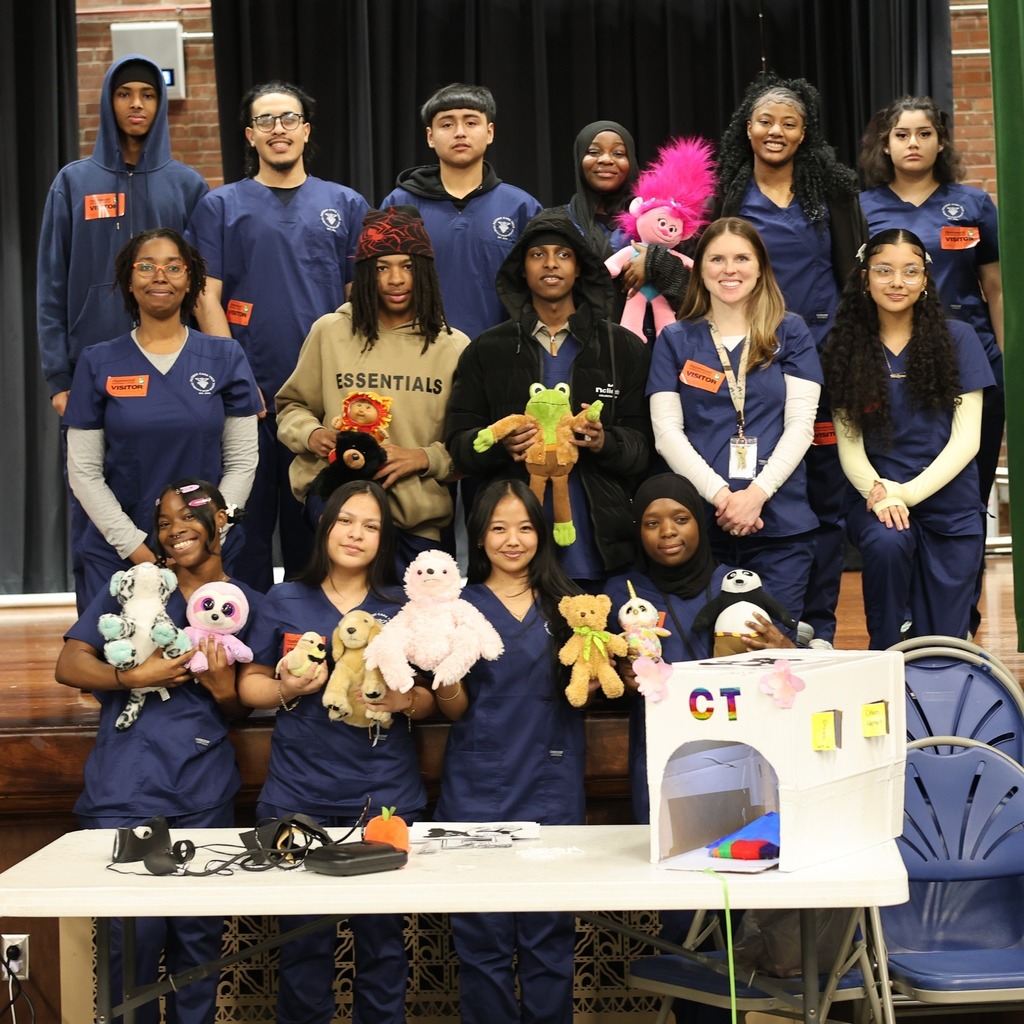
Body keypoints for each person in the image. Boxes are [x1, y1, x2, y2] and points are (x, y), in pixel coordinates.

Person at [54, 478, 262, 1024]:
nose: (174, 531)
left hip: (202, 792)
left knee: (199, 950)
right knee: (131, 950)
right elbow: (70, 664)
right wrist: (132, 674)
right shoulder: (137, 588)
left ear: (222, 518)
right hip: (127, 788)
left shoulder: (246, 604)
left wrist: (222, 690)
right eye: (165, 523)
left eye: (188, 516)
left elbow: (241, 705)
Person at [237, 480, 434, 1024]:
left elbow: (429, 701)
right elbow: (247, 687)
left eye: (371, 526)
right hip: (296, 798)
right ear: (325, 527)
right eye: (347, 520)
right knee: (302, 951)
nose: (356, 534)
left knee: (384, 951)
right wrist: (287, 689)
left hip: (385, 801)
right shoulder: (283, 600)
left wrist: (407, 699)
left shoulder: (404, 607)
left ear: (385, 540)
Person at [186, 81, 370, 590]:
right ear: (250, 135)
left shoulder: (346, 204)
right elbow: (205, 298)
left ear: (306, 130)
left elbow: (360, 301)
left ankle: (309, 643)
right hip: (249, 395)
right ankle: (244, 647)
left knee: (318, 527)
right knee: (242, 525)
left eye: (288, 119)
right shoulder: (220, 207)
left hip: (322, 402)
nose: (278, 130)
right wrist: (239, 380)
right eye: (265, 121)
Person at [714, 73, 868, 647]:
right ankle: (751, 620)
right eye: (765, 120)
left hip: (824, 361)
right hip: (749, 361)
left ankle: (818, 626)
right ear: (747, 128)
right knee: (758, 485)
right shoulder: (729, 193)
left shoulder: (833, 191)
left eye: (789, 122)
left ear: (805, 133)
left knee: (824, 495)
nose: (776, 130)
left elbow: (853, 279)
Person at [433, 478, 585, 1024]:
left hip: (552, 787)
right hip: (477, 788)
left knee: (550, 943)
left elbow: (584, 690)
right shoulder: (455, 606)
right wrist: (445, 675)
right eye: (498, 528)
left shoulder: (569, 605)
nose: (512, 540)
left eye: (524, 527)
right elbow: (451, 709)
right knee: (482, 945)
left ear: (541, 534)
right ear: (478, 537)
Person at [859, 95, 1004, 636]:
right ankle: (904, 623)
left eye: (924, 133)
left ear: (941, 142)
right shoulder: (865, 207)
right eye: (902, 134)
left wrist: (1004, 357)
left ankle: (958, 614)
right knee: (896, 484)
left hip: (967, 363)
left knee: (965, 493)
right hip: (890, 361)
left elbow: (993, 285)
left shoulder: (972, 205)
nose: (913, 143)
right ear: (886, 143)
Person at [446, 207, 651, 586]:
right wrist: (499, 444)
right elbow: (457, 447)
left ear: (579, 268)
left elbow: (645, 450)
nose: (550, 264)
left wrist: (606, 441)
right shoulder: (487, 349)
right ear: (521, 270)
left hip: (601, 554)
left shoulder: (622, 347)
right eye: (538, 255)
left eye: (563, 254)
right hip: (511, 556)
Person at [63, 228, 260, 612]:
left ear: (190, 282)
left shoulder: (226, 356)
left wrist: (212, 531)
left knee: (206, 665)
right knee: (115, 664)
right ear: (128, 281)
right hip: (118, 550)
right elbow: (83, 471)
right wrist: (136, 549)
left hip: (207, 552)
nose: (159, 276)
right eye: (146, 266)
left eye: (173, 267)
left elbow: (242, 460)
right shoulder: (97, 361)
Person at [647, 217, 821, 631]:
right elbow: (667, 434)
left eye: (742, 258)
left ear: (760, 267)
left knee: (774, 651)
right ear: (700, 268)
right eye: (717, 259)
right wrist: (724, 498)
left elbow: (801, 426)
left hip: (780, 524)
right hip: (704, 528)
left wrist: (756, 495)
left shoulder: (791, 332)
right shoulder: (674, 339)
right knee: (708, 649)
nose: (730, 269)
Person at [822, 228, 993, 649]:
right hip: (876, 502)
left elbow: (967, 440)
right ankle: (884, 654)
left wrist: (905, 494)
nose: (897, 282)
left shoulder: (959, 339)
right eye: (884, 270)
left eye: (910, 271)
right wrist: (883, 497)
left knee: (943, 644)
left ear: (925, 281)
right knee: (886, 542)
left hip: (949, 505)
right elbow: (850, 445)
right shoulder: (845, 345)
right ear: (865, 278)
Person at [275, 206, 470, 566]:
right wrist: (310, 433)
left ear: (425, 272)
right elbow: (292, 407)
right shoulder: (330, 331)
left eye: (408, 266)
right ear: (366, 274)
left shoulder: (453, 346)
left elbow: (470, 446)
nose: (395, 279)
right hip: (334, 515)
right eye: (382, 267)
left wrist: (424, 458)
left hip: (416, 525)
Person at [38, 54, 209, 414]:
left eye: (148, 94)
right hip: (91, 360)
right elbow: (52, 283)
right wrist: (59, 378)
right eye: (124, 94)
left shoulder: (188, 185)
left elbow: (203, 285)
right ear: (108, 101)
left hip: (174, 359)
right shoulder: (73, 183)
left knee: (173, 467)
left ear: (160, 104)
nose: (136, 104)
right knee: (91, 468)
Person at [380, 83, 542, 339]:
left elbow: (540, 291)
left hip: (500, 356)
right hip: (417, 357)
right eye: (446, 124)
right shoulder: (400, 205)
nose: (459, 133)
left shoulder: (521, 207)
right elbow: (380, 285)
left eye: (471, 122)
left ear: (489, 132)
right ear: (430, 137)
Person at [565, 120, 692, 326]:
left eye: (618, 153)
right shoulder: (559, 222)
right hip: (583, 345)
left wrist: (656, 264)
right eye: (594, 152)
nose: (606, 160)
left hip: (651, 345)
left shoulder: (658, 219)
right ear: (579, 158)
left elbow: (694, 291)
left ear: (631, 160)